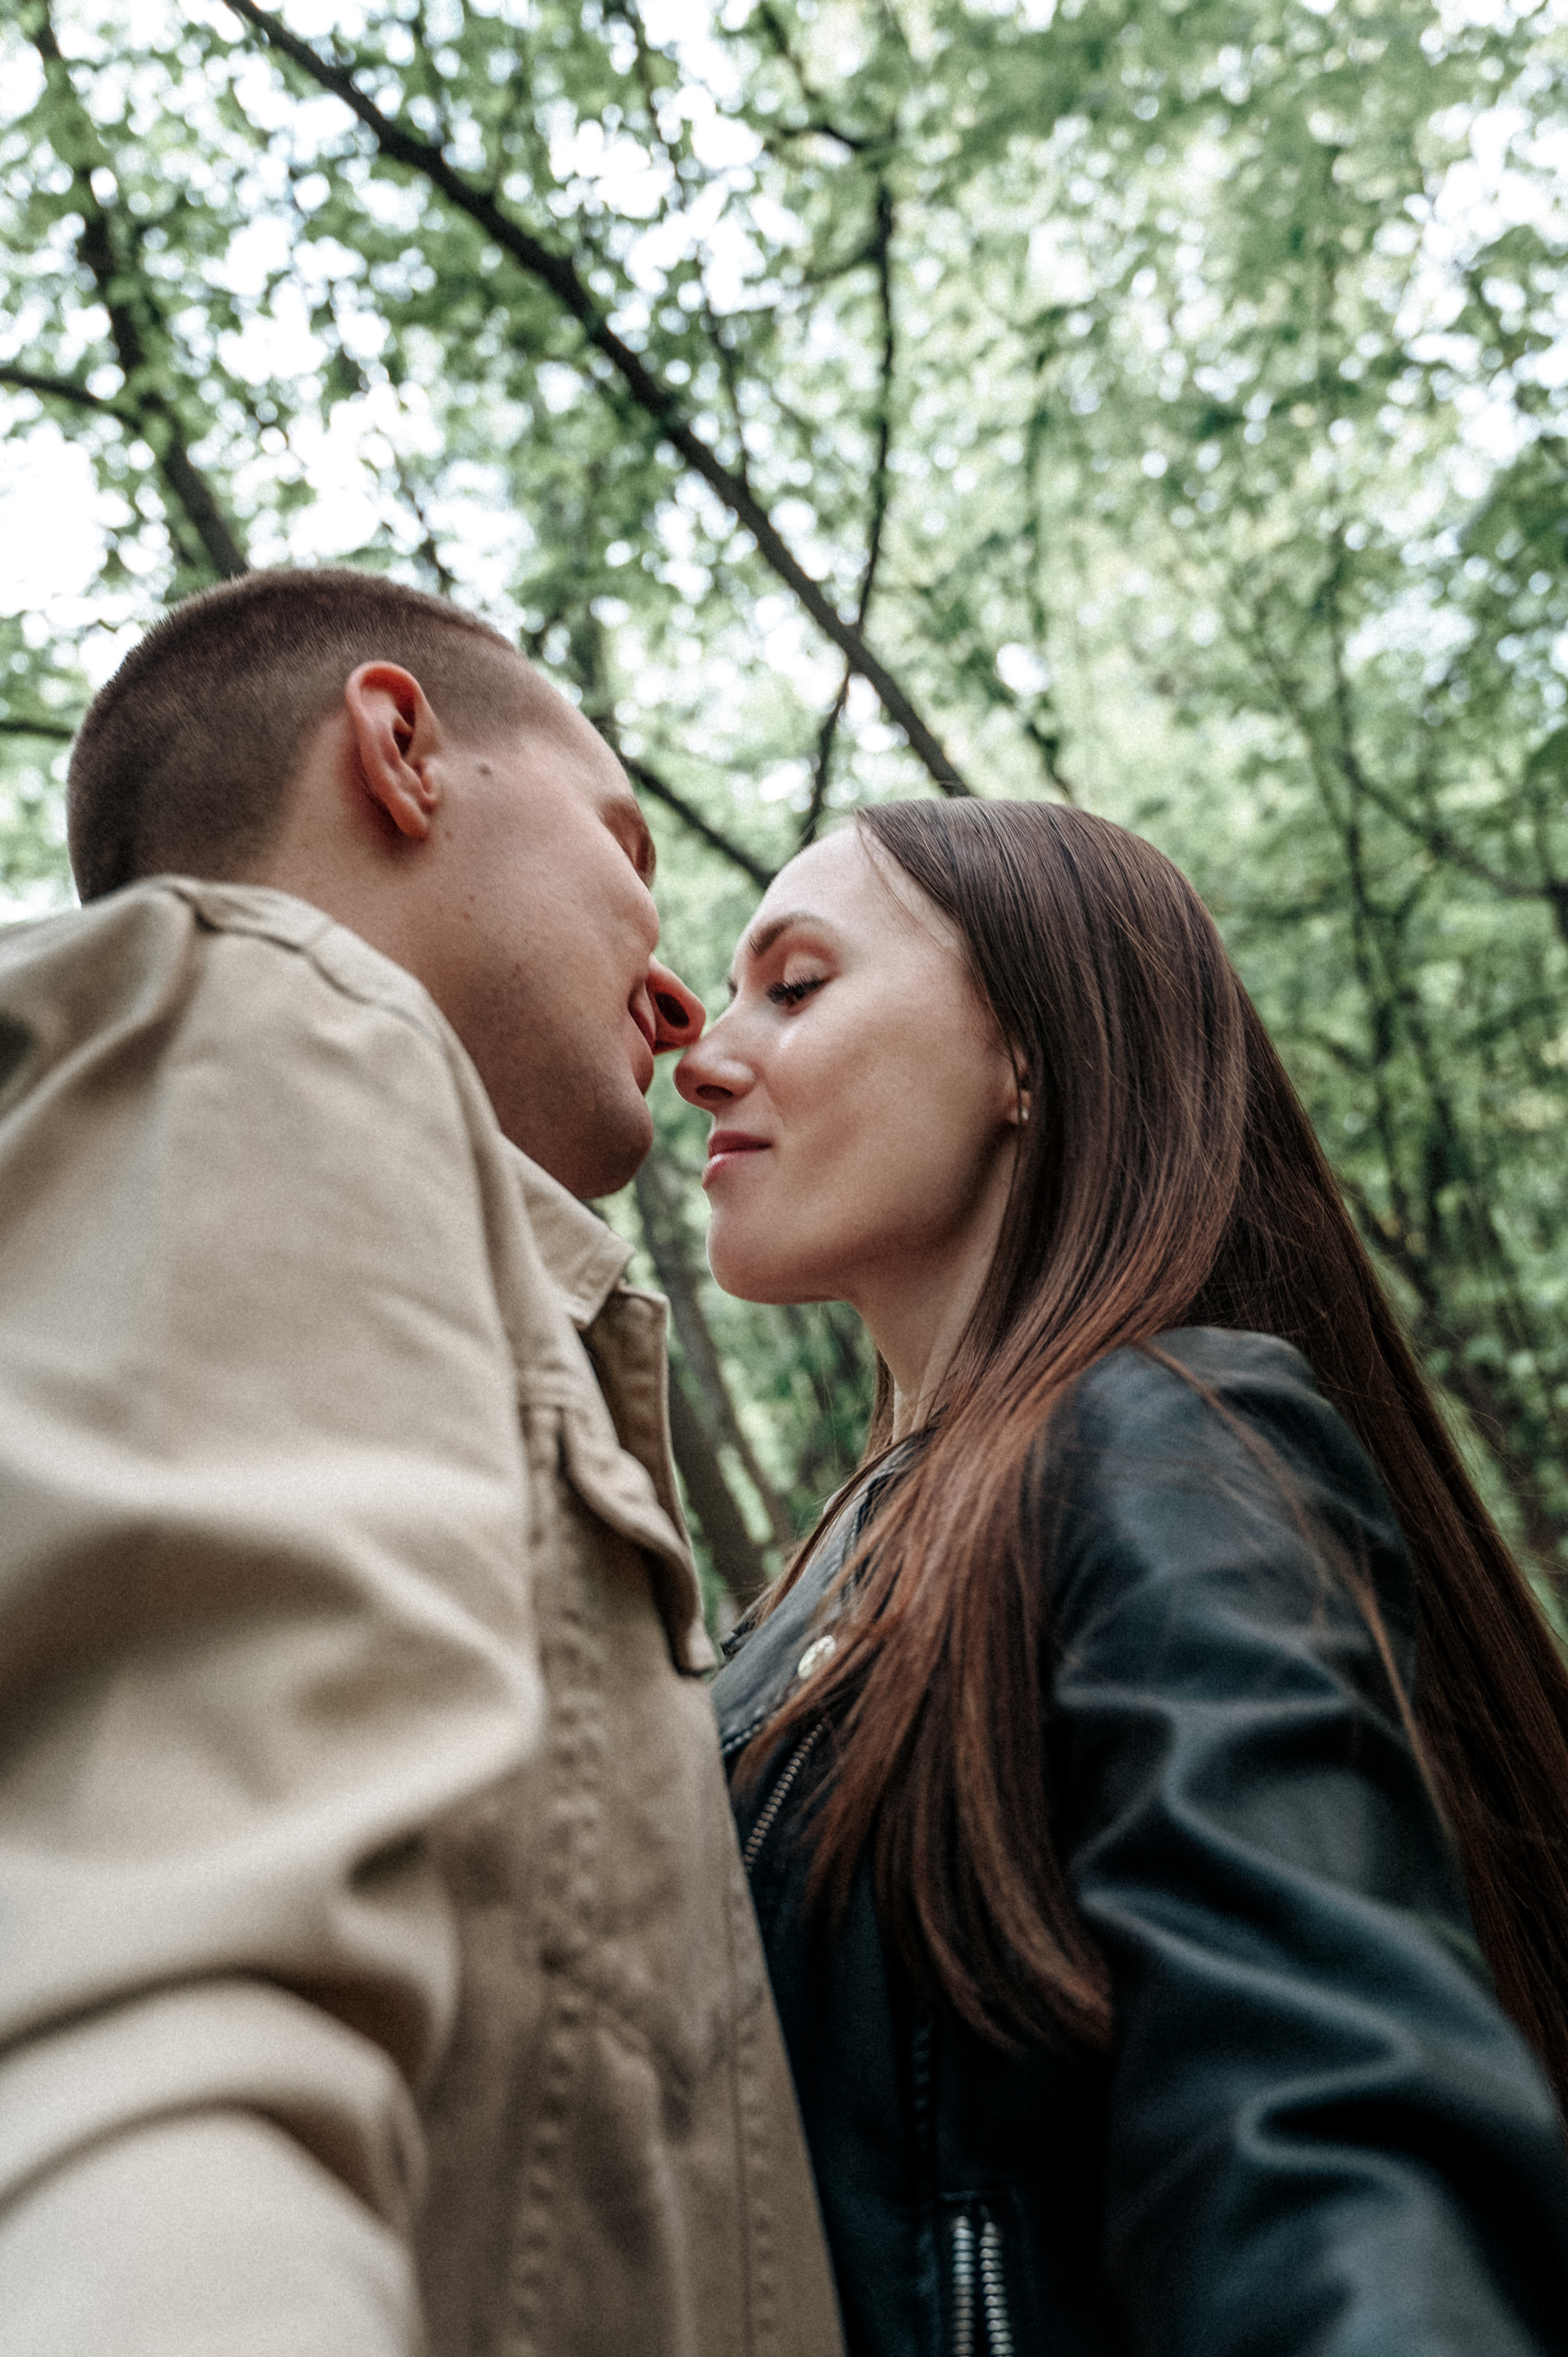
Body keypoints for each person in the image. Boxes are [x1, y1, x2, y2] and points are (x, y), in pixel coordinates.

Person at [0, 567, 845, 2357]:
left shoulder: (335, 1212)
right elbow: (166, 2049)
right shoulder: (271, 1034)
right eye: (627, 842)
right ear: (400, 751)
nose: (686, 1003)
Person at [676, 796, 1568, 2357]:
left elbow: (1312, 2107)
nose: (705, 1052)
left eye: (796, 986)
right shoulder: (814, 1589)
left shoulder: (1154, 1433)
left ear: (1028, 1052)